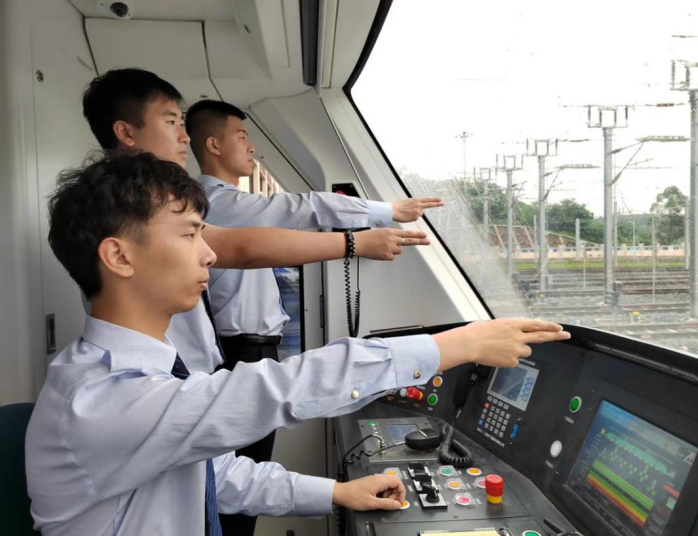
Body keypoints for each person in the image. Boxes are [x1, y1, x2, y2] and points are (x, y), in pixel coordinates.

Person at [25, 152, 570, 535]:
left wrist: (336, 494)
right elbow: (274, 389)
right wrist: (454, 344)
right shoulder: (99, 399)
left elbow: (211, 475)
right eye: (190, 234)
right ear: (119, 257)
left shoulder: (140, 379)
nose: (210, 255)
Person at [183, 98, 445, 532]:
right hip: (238, 351)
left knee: (241, 477)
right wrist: (380, 217)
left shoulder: (229, 205)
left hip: (250, 348)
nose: (252, 147)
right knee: (236, 486)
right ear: (213, 144)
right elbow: (297, 208)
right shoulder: (216, 203)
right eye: (242, 136)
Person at [81, 68, 439, 374]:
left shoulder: (151, 200)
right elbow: (244, 246)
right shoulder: (138, 204)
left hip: (196, 365)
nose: (183, 136)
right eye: (171, 122)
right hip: (184, 368)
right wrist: (356, 240)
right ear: (126, 133)